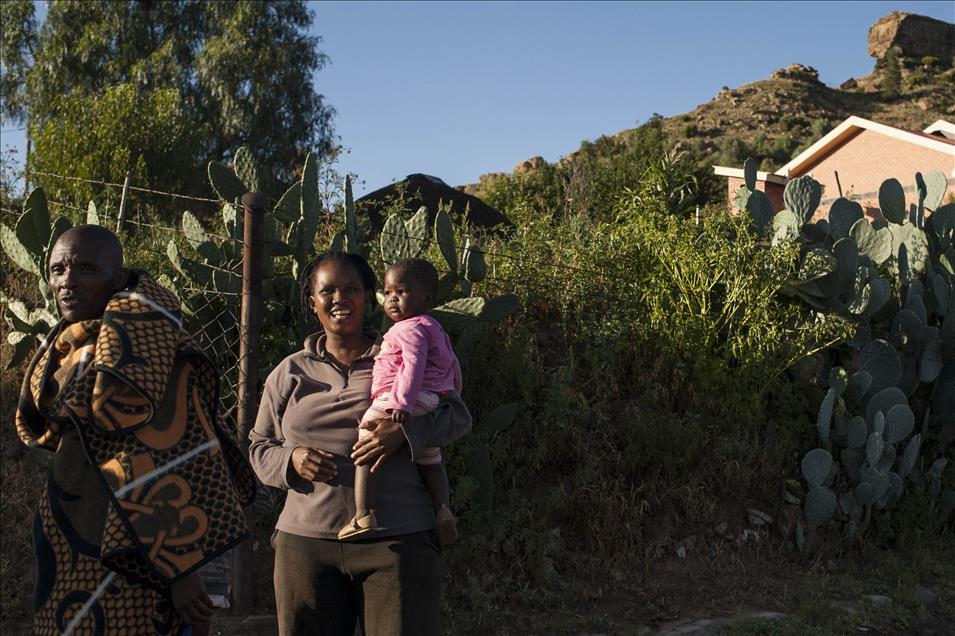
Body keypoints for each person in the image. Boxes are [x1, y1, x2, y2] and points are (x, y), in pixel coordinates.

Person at [15, 225, 255, 636]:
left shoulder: (144, 348)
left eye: (85, 269)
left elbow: (170, 452)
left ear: (117, 275)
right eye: (57, 270)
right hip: (72, 533)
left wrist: (181, 569)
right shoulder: (71, 344)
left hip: (141, 550)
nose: (67, 282)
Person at [248, 251, 472, 636]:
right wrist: (292, 458)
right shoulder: (290, 371)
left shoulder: (403, 350)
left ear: (371, 296)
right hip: (306, 545)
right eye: (327, 290)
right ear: (311, 301)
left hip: (398, 543)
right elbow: (258, 446)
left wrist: (404, 433)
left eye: (351, 289)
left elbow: (458, 417)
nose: (340, 298)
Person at [337, 258, 461, 545]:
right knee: (431, 457)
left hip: (403, 396)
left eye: (402, 292)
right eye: (388, 292)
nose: (392, 299)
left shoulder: (408, 329)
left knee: (367, 435)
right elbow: (453, 366)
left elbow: (412, 366)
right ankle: (443, 510)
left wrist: (401, 405)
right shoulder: (436, 328)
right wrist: (451, 396)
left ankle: (363, 514)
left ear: (426, 298)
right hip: (433, 399)